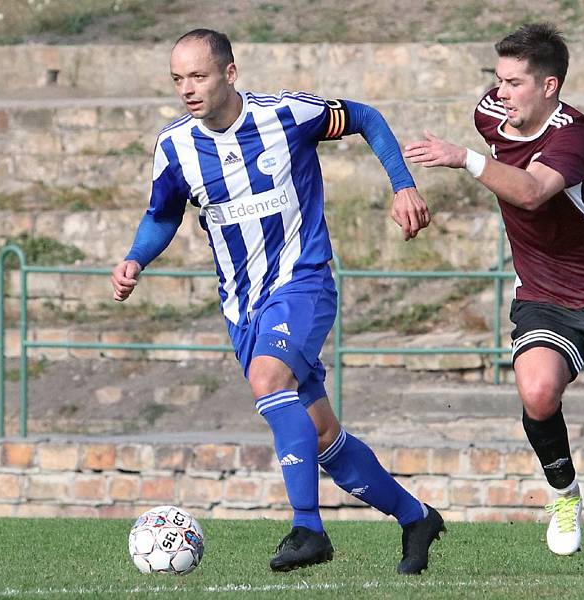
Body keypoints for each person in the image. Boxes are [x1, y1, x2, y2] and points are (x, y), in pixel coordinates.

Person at [110, 28, 444, 574]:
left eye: (198, 76)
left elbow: (365, 116)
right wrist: (135, 259)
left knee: (268, 380)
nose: (187, 89)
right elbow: (164, 213)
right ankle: (416, 517)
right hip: (241, 308)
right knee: (321, 435)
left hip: (302, 282)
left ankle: (307, 528)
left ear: (230, 73)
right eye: (178, 79)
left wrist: (402, 184)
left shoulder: (286, 115)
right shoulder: (175, 146)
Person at [404, 23, 584, 577]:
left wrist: (464, 159)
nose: (500, 92)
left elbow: (535, 193)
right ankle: (564, 493)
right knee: (537, 391)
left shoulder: (574, 136)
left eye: (514, 82)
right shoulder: (491, 113)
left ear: (549, 87)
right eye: (497, 80)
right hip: (543, 295)